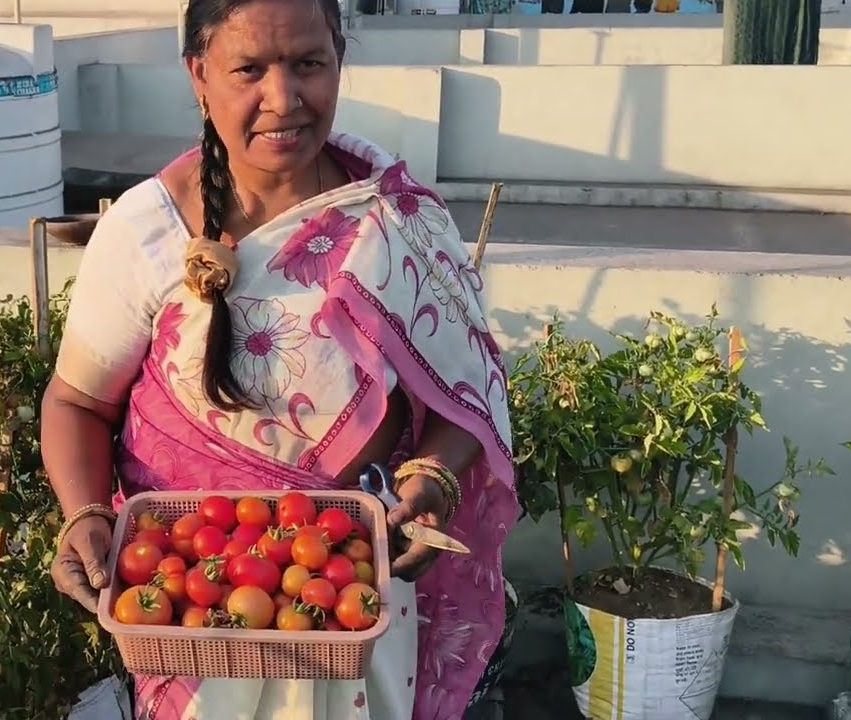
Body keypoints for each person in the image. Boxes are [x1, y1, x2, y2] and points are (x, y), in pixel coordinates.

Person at [40, 0, 517, 717]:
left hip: (353, 592)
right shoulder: (146, 231)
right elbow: (77, 403)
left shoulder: (395, 218)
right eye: (249, 70)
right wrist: (83, 514)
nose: (283, 98)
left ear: (339, 61)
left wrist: (432, 480)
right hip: (192, 604)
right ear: (199, 75)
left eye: (308, 64)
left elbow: (467, 389)